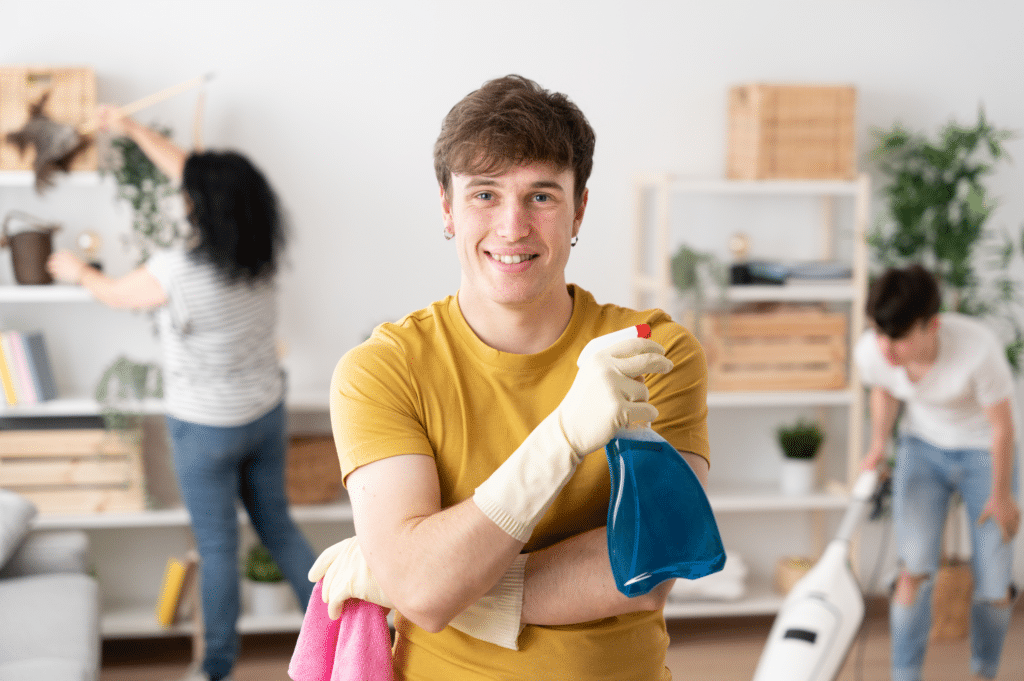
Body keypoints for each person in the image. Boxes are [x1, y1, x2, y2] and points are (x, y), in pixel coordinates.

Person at [307, 74, 710, 680]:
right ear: (447, 206)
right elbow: (418, 587)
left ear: (579, 208)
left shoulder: (650, 351)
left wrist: (452, 587)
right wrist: (564, 436)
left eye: (542, 196)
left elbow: (651, 567)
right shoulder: (383, 370)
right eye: (485, 195)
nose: (513, 226)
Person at [47, 108, 317, 681]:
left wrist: (76, 272)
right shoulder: (260, 258)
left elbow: (117, 295)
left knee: (217, 547)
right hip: (264, 413)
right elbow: (199, 180)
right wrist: (133, 129)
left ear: (200, 206)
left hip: (206, 428)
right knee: (280, 530)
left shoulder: (176, 271)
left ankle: (214, 669)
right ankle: (346, 640)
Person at [855, 264, 1020, 681]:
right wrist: (879, 444)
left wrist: (1002, 497)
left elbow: (1003, 428)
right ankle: (904, 676)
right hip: (922, 449)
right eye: (879, 333)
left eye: (899, 337)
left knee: (995, 588)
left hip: (984, 452)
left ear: (932, 325)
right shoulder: (875, 350)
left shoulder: (978, 350)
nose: (886, 348)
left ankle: (985, 672)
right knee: (912, 574)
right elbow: (885, 387)